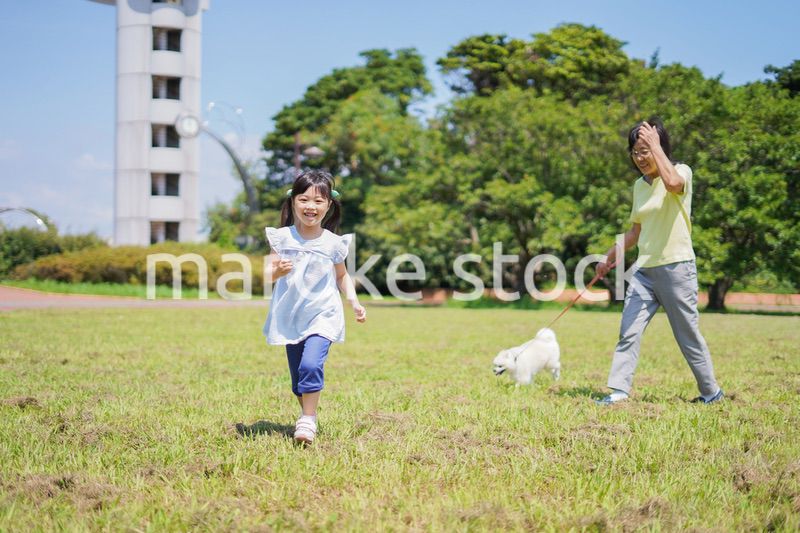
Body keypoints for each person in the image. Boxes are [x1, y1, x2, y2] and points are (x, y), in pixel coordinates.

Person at [595, 117, 723, 405]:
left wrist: (656, 146)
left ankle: (710, 392)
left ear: (661, 147)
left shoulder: (681, 171)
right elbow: (635, 231)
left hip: (676, 267)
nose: (640, 157)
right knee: (629, 329)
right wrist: (608, 258)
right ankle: (619, 390)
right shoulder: (639, 186)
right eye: (636, 151)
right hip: (644, 271)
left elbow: (674, 184)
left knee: (686, 334)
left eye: (646, 149)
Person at [264, 170, 366, 443]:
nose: (311, 206)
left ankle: (307, 419)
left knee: (311, 364)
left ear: (329, 205)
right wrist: (277, 273)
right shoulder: (282, 238)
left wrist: (353, 301)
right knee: (298, 377)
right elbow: (266, 273)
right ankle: (307, 414)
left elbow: (342, 276)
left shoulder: (333, 243)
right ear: (293, 202)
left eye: (319, 201)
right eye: (304, 199)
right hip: (291, 315)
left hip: (323, 314)